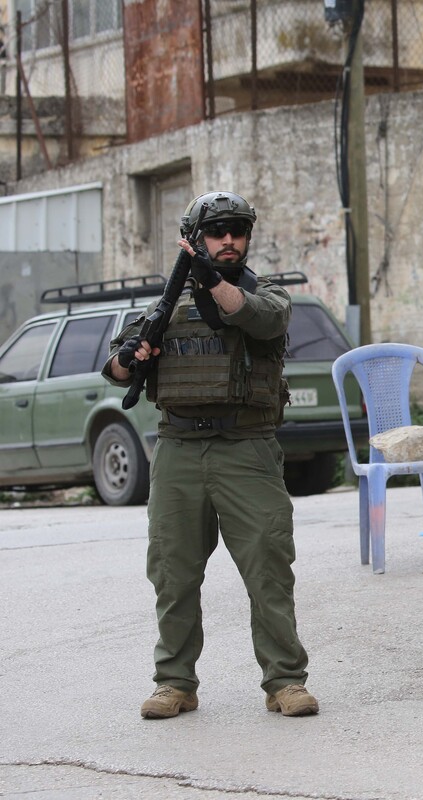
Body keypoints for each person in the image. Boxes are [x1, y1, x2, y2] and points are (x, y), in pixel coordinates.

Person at [103, 190, 318, 720]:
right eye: (217, 231)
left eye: (237, 231)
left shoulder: (263, 293)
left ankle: (284, 681)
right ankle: (174, 682)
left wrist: (210, 279)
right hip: (178, 448)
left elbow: (259, 319)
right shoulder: (164, 306)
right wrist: (133, 357)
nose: (228, 240)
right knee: (173, 572)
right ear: (196, 236)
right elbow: (116, 372)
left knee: (268, 566)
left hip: (246, 448)